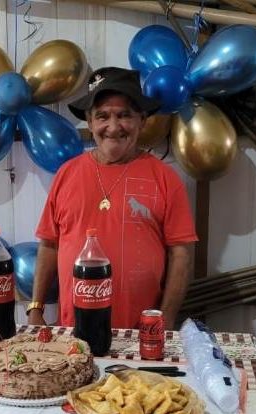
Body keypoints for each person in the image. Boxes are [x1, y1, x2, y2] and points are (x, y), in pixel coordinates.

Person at [27, 67, 198, 330]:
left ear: (142, 120)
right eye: (103, 116)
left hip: (141, 332)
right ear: (90, 121)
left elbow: (181, 254)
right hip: (74, 331)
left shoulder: (166, 178)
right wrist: (36, 307)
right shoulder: (66, 174)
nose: (113, 127)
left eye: (124, 115)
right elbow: (49, 245)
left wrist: (164, 318)